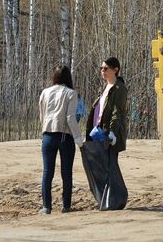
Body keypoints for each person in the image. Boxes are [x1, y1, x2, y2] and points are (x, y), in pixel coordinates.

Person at [39, 65, 84, 215]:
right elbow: (71, 118)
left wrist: (44, 130)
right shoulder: (71, 93)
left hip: (48, 135)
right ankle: (66, 206)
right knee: (66, 173)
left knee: (47, 172)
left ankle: (46, 206)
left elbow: (42, 114)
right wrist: (78, 138)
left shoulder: (45, 92)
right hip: (65, 136)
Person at [85, 57, 128, 155]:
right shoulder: (104, 87)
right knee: (98, 165)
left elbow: (117, 112)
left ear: (115, 70)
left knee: (109, 166)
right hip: (97, 131)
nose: (102, 71)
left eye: (106, 68)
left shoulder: (120, 88)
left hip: (107, 133)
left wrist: (112, 132)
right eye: (101, 68)